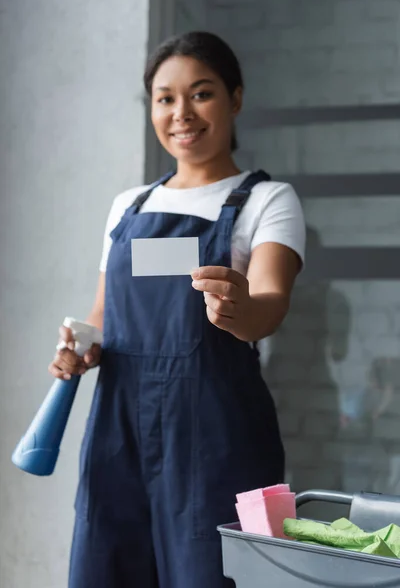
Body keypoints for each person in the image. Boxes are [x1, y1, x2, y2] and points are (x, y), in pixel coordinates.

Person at [49, 31, 306, 588]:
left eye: (201, 93)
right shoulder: (129, 205)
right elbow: (102, 321)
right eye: (165, 98)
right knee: (108, 566)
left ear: (235, 98)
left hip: (215, 437)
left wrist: (236, 309)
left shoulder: (266, 200)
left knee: (207, 574)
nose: (181, 113)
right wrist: (78, 350)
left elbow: (268, 304)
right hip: (119, 436)